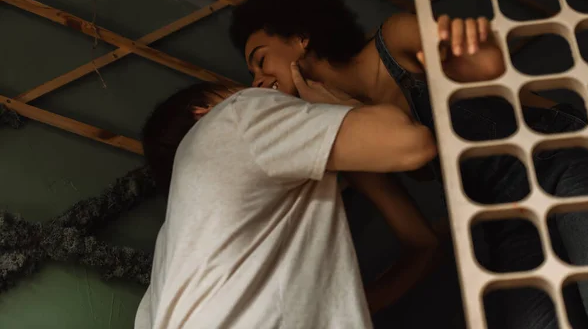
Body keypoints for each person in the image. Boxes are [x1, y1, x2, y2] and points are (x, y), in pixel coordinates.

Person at [229, 0, 588, 329]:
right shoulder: (349, 141)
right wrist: (343, 309)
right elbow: (420, 243)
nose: (258, 81)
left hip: (556, 156)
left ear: (300, 38)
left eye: (261, 61)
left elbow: (486, 65)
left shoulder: (395, 40)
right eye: (251, 75)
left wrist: (477, 49)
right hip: (505, 220)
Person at [134, 82, 442, 328]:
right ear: (203, 112)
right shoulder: (233, 116)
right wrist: (329, 103)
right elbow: (411, 143)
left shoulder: (173, 250)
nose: (260, 84)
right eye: (238, 85)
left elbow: (423, 245)